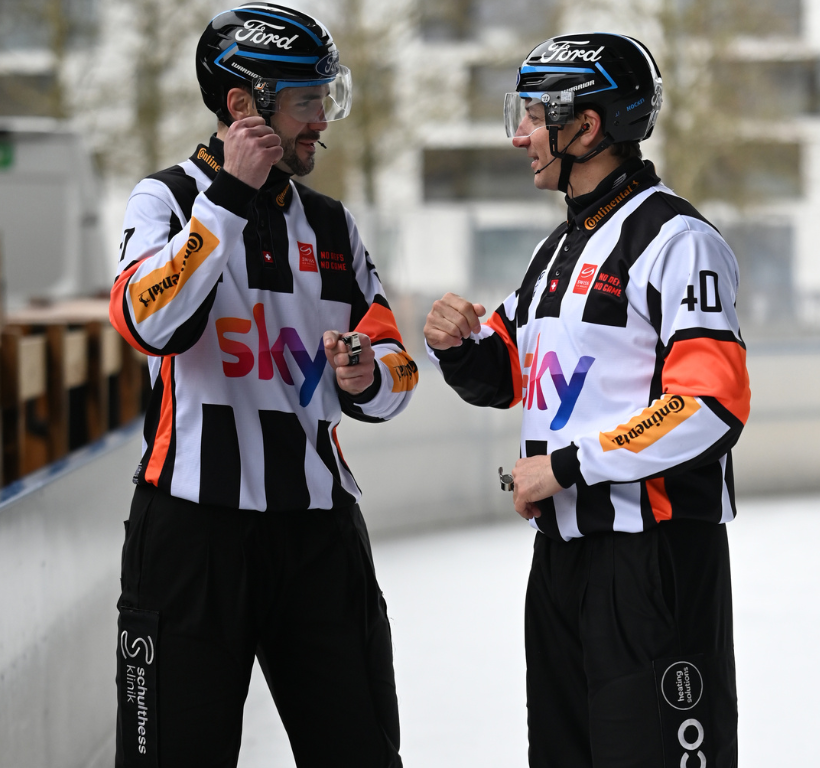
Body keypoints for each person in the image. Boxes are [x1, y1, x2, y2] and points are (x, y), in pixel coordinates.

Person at [423, 34, 748, 768]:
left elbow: (710, 405)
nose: (519, 136)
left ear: (587, 126)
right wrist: (457, 344)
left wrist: (567, 467)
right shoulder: (559, 248)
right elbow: (506, 372)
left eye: (534, 117)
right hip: (564, 563)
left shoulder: (676, 239)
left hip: (655, 563)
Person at [108, 5, 417, 766]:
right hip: (191, 537)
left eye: (326, 98)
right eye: (308, 100)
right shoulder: (165, 201)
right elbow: (147, 321)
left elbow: (398, 365)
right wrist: (227, 203)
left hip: (319, 537)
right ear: (244, 106)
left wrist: (369, 371)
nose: (322, 120)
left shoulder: (333, 224)